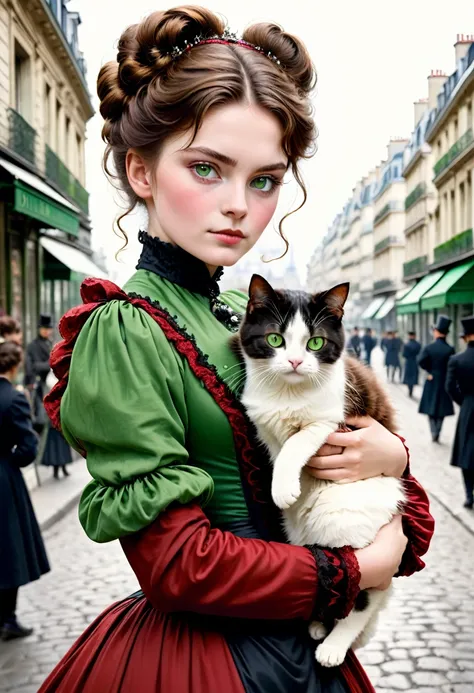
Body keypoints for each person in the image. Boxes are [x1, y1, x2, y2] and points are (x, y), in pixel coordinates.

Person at [39, 7, 434, 692]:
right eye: (206, 168)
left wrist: (391, 456)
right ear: (140, 169)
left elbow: (354, 479)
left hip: (304, 649)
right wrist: (352, 570)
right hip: (207, 662)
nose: (238, 206)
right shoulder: (126, 328)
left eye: (263, 179)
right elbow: (178, 564)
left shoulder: (240, 314)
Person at [0, 341, 50, 640]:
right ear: (15, 366)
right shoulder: (14, 399)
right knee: (9, 548)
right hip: (5, 480)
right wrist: (12, 460)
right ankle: (8, 618)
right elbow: (29, 446)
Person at [25, 314, 72, 478]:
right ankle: (54, 465)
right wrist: (50, 364)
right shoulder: (33, 346)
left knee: (60, 426)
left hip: (56, 389)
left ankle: (63, 464)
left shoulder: (51, 344)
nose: (48, 332)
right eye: (46, 329)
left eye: (49, 329)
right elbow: (31, 368)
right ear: (40, 329)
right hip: (43, 391)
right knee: (50, 427)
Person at [446, 316, 474, 509]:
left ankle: (468, 495)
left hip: (468, 407)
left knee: (466, 453)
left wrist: (463, 402)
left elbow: (450, 387)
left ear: (466, 337)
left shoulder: (457, 359)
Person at [418, 315, 455, 443]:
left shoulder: (429, 348)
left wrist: (429, 370)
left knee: (430, 408)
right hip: (445, 380)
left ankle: (433, 431)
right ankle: (437, 431)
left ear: (436, 331)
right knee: (442, 409)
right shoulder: (450, 349)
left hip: (432, 379)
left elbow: (421, 361)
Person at [402, 331, 421, 398]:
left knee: (408, 376)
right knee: (413, 376)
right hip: (414, 362)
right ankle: (411, 390)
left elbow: (404, 355)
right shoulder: (418, 344)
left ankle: (410, 389)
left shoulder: (406, 344)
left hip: (408, 362)